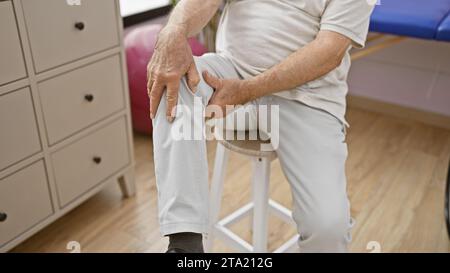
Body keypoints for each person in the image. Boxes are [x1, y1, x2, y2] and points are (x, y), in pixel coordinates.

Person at [147, 0, 374, 253]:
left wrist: (248, 90)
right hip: (229, 77)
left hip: (307, 99)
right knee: (173, 79)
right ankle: (184, 245)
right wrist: (174, 29)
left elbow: (329, 51)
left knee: (328, 228)